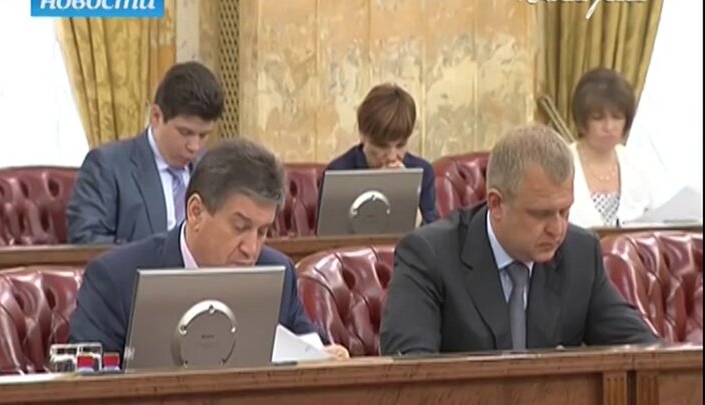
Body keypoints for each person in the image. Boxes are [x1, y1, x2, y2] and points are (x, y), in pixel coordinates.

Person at [380, 124, 658, 355]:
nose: (557, 229)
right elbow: (411, 372)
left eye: (564, 211)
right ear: (497, 204)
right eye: (541, 214)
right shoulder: (429, 255)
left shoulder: (580, 253)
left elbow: (647, 353)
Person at [68, 138, 349, 361]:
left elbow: (308, 347)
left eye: (263, 232)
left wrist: (326, 356)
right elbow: (89, 384)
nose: (251, 249)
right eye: (240, 227)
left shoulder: (277, 271)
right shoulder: (115, 278)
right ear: (196, 212)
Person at [67, 61, 224, 244]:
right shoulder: (107, 166)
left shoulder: (213, 171)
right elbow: (85, 241)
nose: (194, 146)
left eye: (203, 135)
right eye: (185, 132)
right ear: (156, 117)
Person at [323, 83, 438, 224]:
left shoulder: (423, 173)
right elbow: (326, 233)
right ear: (362, 135)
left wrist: (409, 201)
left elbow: (434, 233)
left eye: (400, 145)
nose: (392, 156)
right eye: (382, 146)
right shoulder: (337, 174)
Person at [567, 68, 656, 227]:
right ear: (582, 121)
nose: (609, 127)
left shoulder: (637, 165)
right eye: (598, 118)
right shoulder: (562, 163)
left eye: (617, 117)